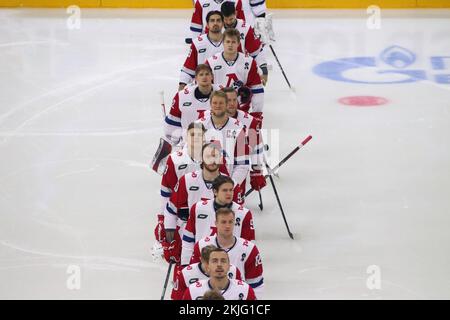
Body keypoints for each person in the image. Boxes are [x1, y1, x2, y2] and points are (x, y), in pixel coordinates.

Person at [163, 142, 224, 262]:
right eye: (208, 156)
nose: (212, 160)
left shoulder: (230, 184)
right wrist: (171, 239)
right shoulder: (187, 180)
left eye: (215, 156)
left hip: (220, 242)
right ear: (201, 158)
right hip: (190, 239)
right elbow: (171, 210)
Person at [181, 175, 255, 265]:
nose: (229, 193)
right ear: (215, 191)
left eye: (231, 190)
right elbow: (188, 239)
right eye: (225, 190)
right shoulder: (198, 208)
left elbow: (248, 245)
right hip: (202, 263)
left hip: (230, 265)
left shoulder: (244, 213)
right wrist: (185, 264)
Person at [190, 208, 264, 297]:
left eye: (230, 222)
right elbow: (195, 272)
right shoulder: (201, 246)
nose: (227, 226)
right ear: (216, 223)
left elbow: (256, 284)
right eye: (223, 222)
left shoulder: (249, 249)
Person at [154, 122, 206, 244]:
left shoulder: (213, 156)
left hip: (206, 214)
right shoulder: (175, 159)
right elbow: (166, 192)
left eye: (200, 135)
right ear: (187, 136)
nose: (196, 138)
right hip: (181, 216)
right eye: (193, 134)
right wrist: (162, 218)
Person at [195, 90, 250, 198]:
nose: (218, 106)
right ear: (210, 105)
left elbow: (242, 164)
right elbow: (192, 158)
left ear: (226, 105)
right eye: (215, 103)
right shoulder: (199, 125)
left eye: (221, 103)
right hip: (201, 184)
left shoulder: (238, 128)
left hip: (226, 186)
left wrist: (230, 184)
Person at [206, 28, 264, 113]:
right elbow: (205, 89)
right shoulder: (211, 62)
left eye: (233, 42)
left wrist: (257, 113)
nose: (230, 45)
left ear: (238, 43)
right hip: (218, 111)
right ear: (223, 42)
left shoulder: (249, 61)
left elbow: (257, 89)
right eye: (228, 42)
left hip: (241, 112)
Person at [165, 64, 218, 147]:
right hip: (188, 144)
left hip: (214, 143)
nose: (204, 77)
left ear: (212, 77)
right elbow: (174, 122)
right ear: (196, 78)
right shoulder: (182, 96)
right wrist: (172, 143)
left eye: (207, 74)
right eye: (201, 74)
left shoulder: (222, 93)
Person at [221, 1, 268, 85]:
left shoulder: (245, 27)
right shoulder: (216, 27)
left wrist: (263, 69)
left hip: (240, 67)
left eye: (231, 19)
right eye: (225, 19)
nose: (228, 22)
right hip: (220, 67)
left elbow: (255, 51)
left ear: (236, 13)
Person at [171, 244, 242, 300]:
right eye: (207, 262)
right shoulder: (186, 273)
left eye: (214, 261)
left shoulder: (233, 270)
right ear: (201, 260)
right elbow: (177, 297)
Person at [182, 247, 256, 300]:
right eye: (214, 261)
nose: (219, 265)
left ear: (229, 266)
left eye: (223, 261)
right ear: (207, 266)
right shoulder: (193, 291)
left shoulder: (245, 290)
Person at [179, 12, 224, 90]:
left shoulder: (230, 42)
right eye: (212, 21)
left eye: (218, 20)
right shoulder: (198, 43)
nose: (215, 23)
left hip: (224, 89)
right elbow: (188, 69)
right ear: (207, 25)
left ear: (223, 24)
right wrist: (182, 85)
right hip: (203, 90)